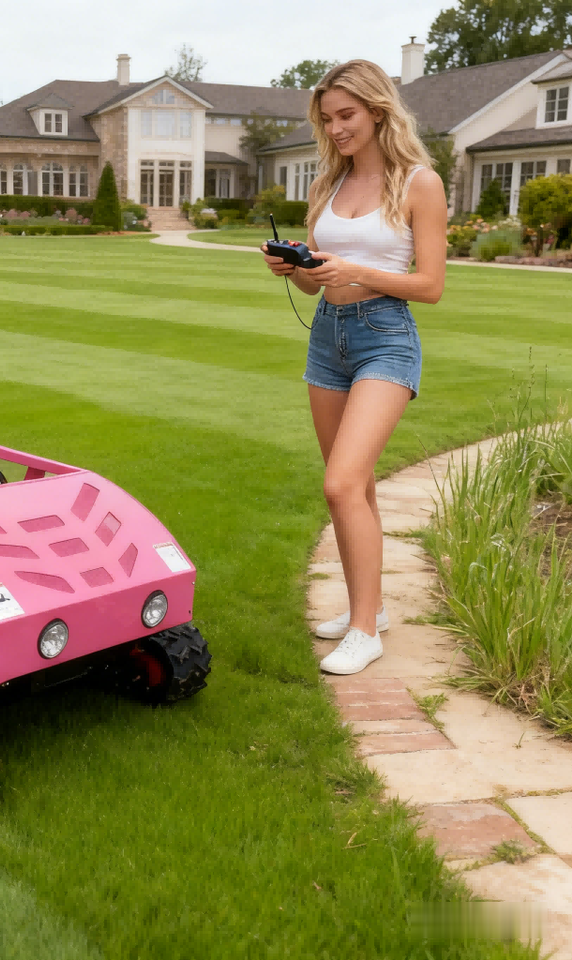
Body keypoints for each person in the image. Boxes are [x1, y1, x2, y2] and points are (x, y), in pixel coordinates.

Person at [261, 60, 447, 675]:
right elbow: (317, 283)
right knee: (355, 488)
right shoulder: (328, 184)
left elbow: (430, 285)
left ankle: (364, 633)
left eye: (347, 115)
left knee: (340, 484)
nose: (336, 128)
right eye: (328, 119)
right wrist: (295, 270)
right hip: (327, 338)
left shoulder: (419, 182)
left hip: (386, 337)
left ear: (377, 110)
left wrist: (356, 270)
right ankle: (369, 608)